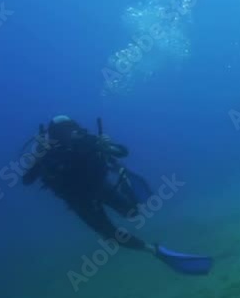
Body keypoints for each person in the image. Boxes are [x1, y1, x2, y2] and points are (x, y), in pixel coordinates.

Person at [22, 115, 211, 275]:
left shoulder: (86, 140)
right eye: (61, 131)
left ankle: (125, 180)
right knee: (111, 235)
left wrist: (107, 146)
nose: (68, 133)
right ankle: (152, 250)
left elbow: (122, 151)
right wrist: (36, 157)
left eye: (70, 128)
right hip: (79, 200)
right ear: (53, 134)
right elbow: (27, 180)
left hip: (99, 187)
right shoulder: (46, 153)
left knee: (133, 213)